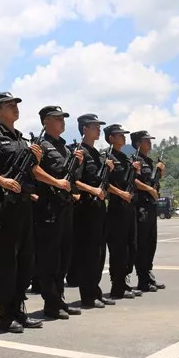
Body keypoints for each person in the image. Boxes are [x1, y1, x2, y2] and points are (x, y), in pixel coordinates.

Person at [0, 92, 47, 333]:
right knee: (6, 262)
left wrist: (36, 161)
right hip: (3, 205)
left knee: (25, 261)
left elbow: (31, 171)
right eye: (9, 105)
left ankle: (19, 309)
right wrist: (2, 181)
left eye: (15, 104)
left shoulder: (20, 139)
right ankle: (5, 314)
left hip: (23, 204)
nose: (14, 108)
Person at [33, 106, 83, 320]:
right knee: (50, 259)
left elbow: (72, 178)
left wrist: (78, 163)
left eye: (63, 119)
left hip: (65, 207)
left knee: (64, 257)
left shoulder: (64, 147)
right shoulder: (40, 145)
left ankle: (60, 299)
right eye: (58, 119)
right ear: (46, 122)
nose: (62, 122)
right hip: (48, 207)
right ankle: (51, 303)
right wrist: (56, 183)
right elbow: (33, 170)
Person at [72, 114, 115, 309]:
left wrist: (109, 170)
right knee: (88, 254)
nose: (99, 130)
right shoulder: (79, 152)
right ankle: (87, 295)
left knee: (99, 253)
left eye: (99, 126)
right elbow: (74, 181)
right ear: (84, 129)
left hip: (99, 208)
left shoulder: (98, 154)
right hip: (86, 208)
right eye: (95, 127)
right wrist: (93, 190)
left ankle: (95, 290)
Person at [103, 124, 142, 301]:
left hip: (129, 207)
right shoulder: (107, 157)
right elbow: (104, 182)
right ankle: (116, 286)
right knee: (118, 249)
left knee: (131, 247)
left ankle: (124, 281)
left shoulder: (125, 159)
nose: (123, 138)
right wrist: (120, 193)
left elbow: (132, 181)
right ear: (111, 138)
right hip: (117, 207)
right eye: (119, 135)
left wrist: (136, 172)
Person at [130, 130, 166, 292]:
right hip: (141, 205)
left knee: (151, 242)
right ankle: (142, 279)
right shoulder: (134, 159)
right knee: (142, 243)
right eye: (146, 141)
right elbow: (135, 181)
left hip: (151, 205)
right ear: (138, 143)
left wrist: (159, 173)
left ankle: (148, 275)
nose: (149, 143)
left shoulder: (148, 161)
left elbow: (152, 182)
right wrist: (149, 190)